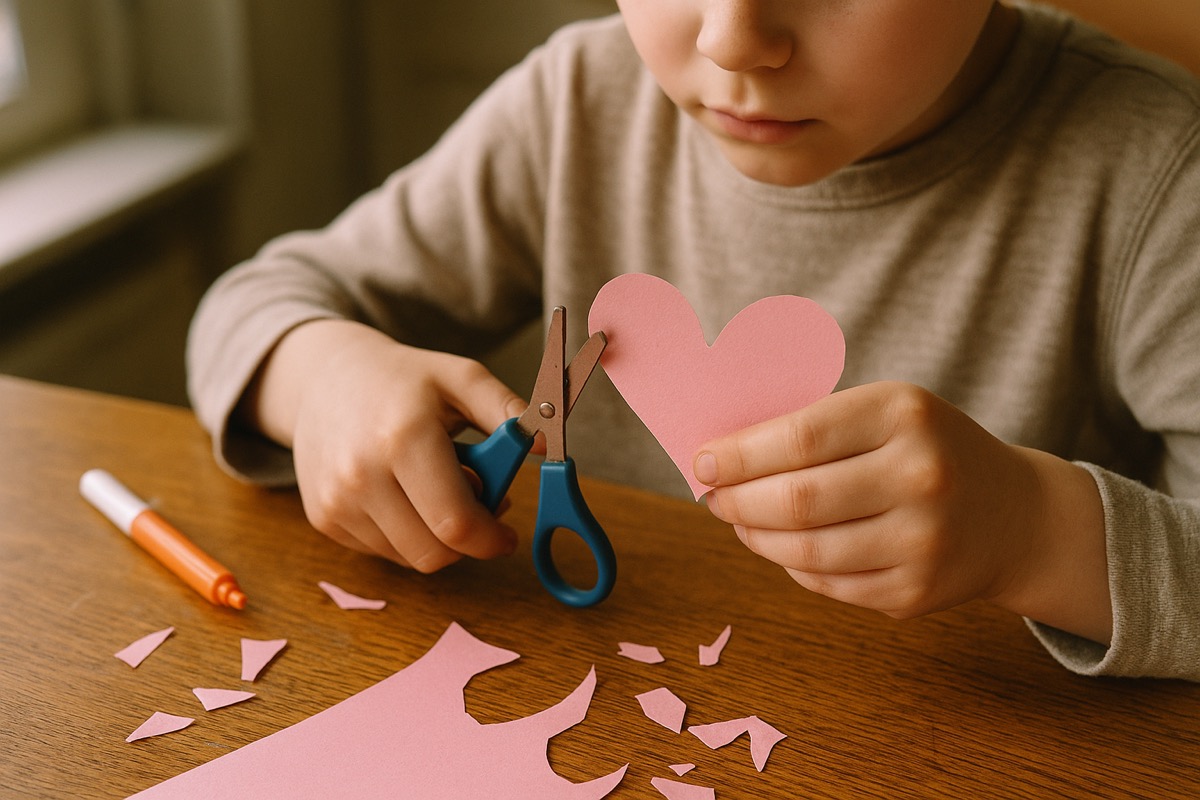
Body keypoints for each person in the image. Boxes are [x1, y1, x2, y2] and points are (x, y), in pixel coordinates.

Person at [187, 1, 1200, 681]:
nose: (732, 40)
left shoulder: (1158, 173)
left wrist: (1036, 531)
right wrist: (318, 374)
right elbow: (258, 300)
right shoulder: (578, 104)